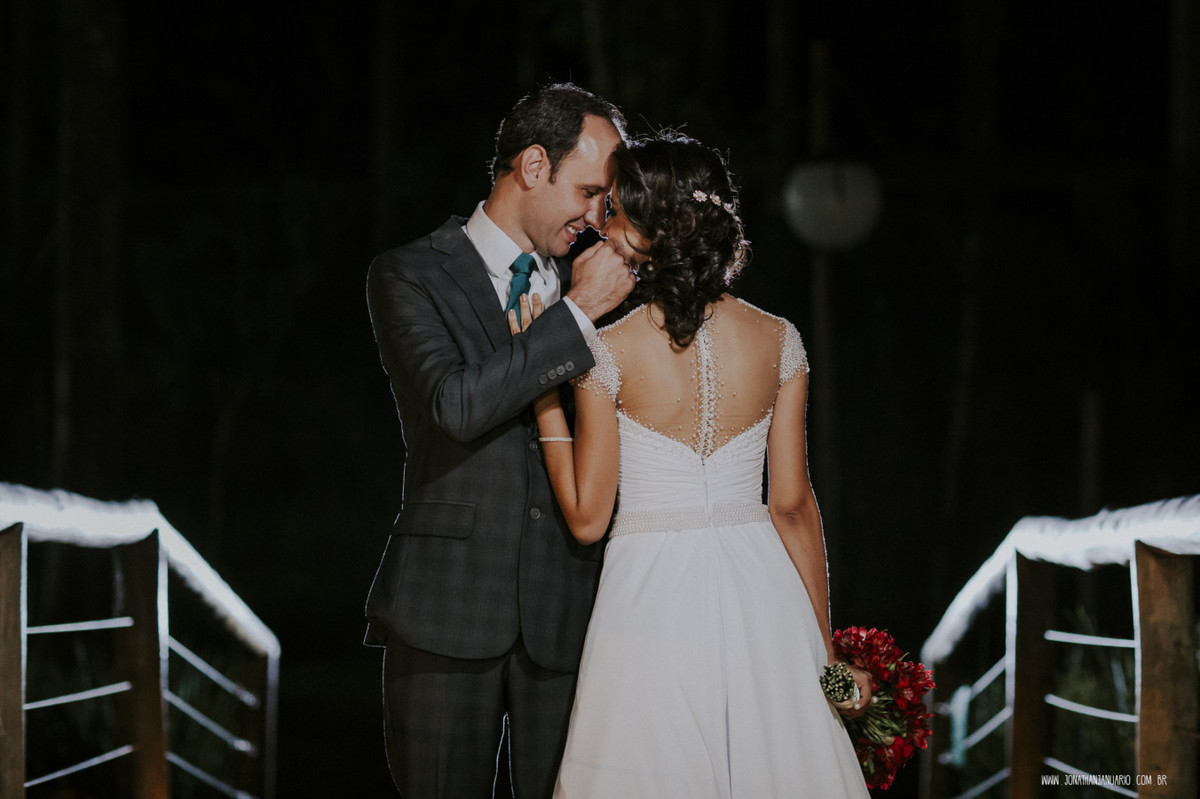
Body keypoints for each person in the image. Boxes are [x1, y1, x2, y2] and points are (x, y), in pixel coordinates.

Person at [507, 133, 873, 796]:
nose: (603, 226)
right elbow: (792, 507)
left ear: (652, 230)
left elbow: (587, 518)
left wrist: (544, 400)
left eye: (617, 211)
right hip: (764, 594)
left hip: (649, 600)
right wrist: (826, 658)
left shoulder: (606, 351)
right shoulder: (780, 339)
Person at [363, 83, 637, 798]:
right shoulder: (410, 273)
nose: (597, 217)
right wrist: (575, 313)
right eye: (589, 192)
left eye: (607, 202)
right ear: (534, 165)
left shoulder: (603, 282)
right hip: (446, 606)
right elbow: (454, 404)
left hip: (569, 606)